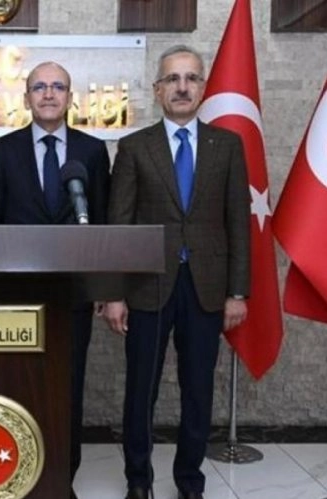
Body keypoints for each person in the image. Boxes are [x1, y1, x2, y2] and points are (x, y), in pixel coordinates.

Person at [103, 45, 250, 499]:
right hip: (148, 286)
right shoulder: (134, 147)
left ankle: (190, 481)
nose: (182, 87)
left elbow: (238, 222)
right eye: (173, 79)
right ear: (158, 90)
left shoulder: (227, 145)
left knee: (198, 390)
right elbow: (119, 225)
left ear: (202, 87)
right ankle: (138, 480)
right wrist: (113, 293)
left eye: (191, 78)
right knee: (140, 391)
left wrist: (238, 292)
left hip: (207, 288)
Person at [0, 61, 111, 499]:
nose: (49, 94)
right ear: (26, 98)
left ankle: (60, 480)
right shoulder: (3, 151)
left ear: (70, 97)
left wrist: (103, 286)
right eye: (39, 87)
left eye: (58, 87)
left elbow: (104, 222)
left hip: (73, 295)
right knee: (18, 387)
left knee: (67, 390)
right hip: (15, 296)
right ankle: (16, 473)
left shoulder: (92, 152)